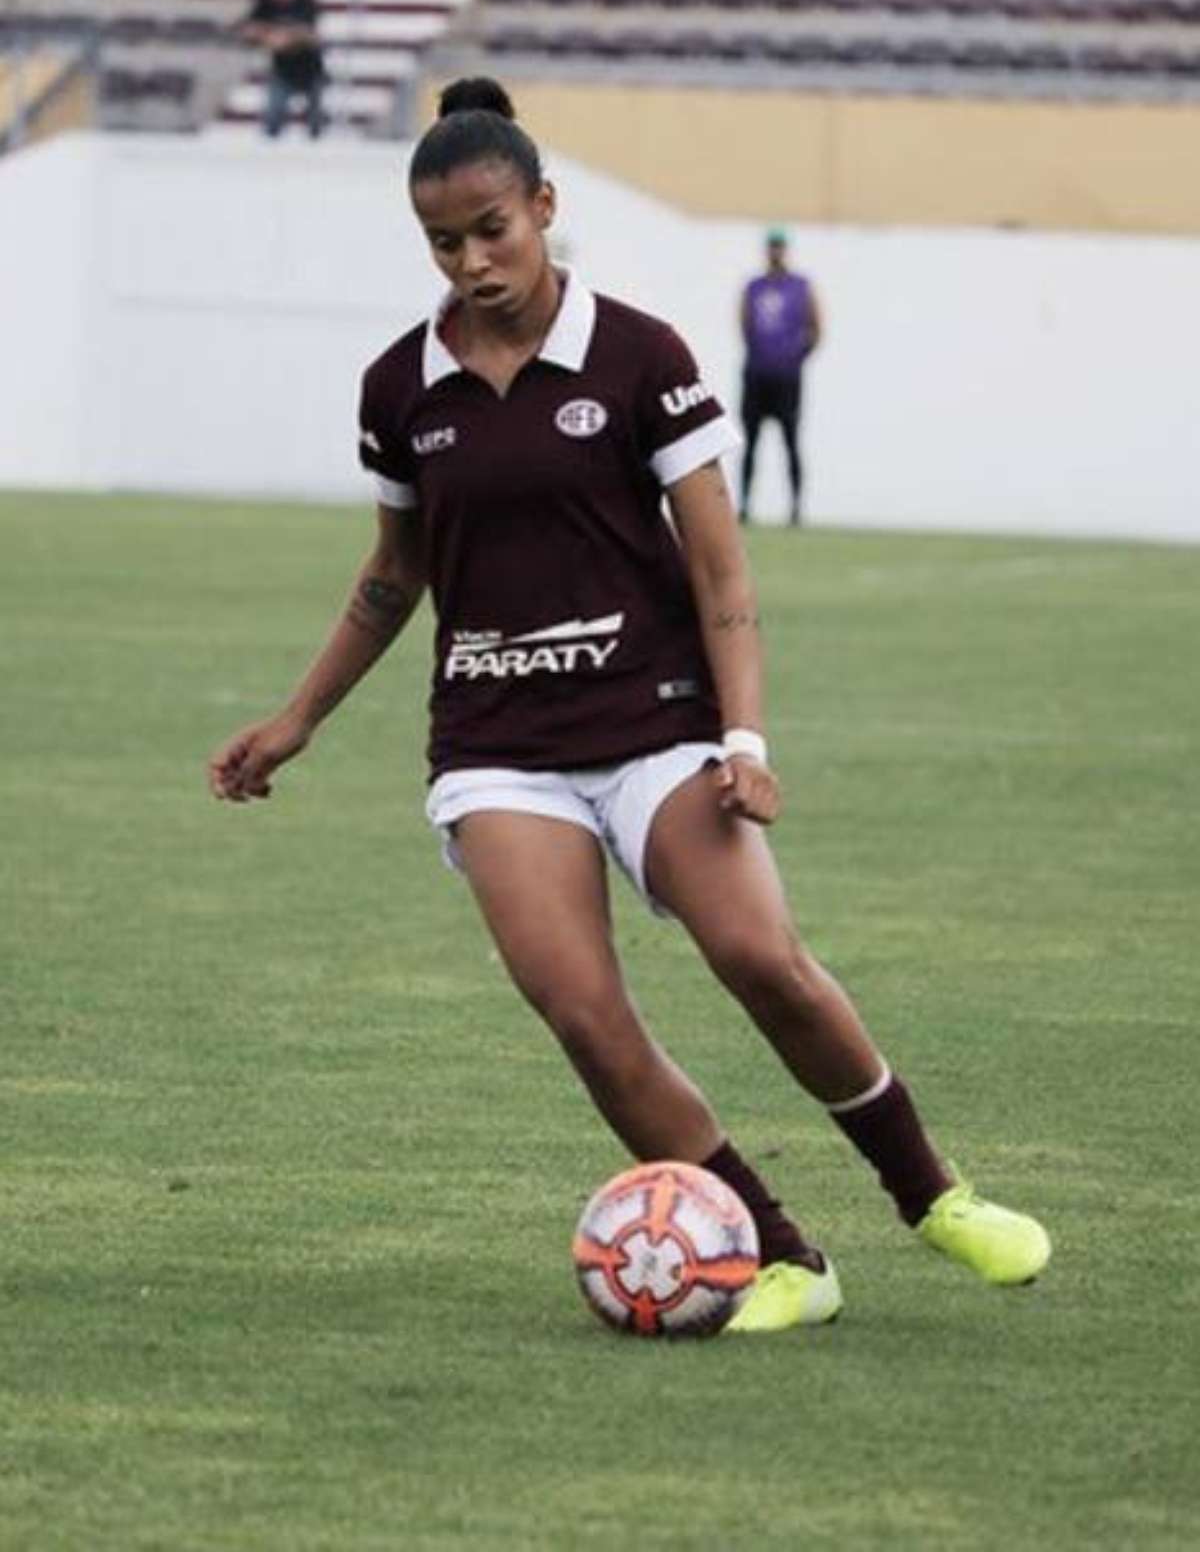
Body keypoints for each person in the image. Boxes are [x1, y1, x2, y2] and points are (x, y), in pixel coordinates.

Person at [208, 78, 1050, 1332]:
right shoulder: (401, 390)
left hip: (657, 719)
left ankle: (931, 1195)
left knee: (758, 956)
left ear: (544, 206)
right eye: (446, 241)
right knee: (586, 1019)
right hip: (497, 746)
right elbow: (395, 575)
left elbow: (721, 570)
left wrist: (746, 737)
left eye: (495, 227)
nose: (475, 259)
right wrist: (297, 718)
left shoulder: (641, 353)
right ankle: (781, 1259)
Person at [739, 228, 820, 527]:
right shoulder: (753, 287)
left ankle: (796, 508)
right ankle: (745, 504)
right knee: (750, 442)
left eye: (780, 246)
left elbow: (815, 328)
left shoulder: (801, 287)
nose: (776, 251)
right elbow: (745, 325)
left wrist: (794, 357)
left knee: (791, 442)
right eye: (772, 246)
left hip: (787, 378)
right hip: (757, 375)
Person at [239, 0, 326, 140]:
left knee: (315, 119)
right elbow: (248, 28)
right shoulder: (266, 3)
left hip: (310, 68)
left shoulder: (305, 3)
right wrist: (268, 35)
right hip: (282, 70)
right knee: (273, 117)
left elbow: (309, 34)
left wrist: (285, 36)